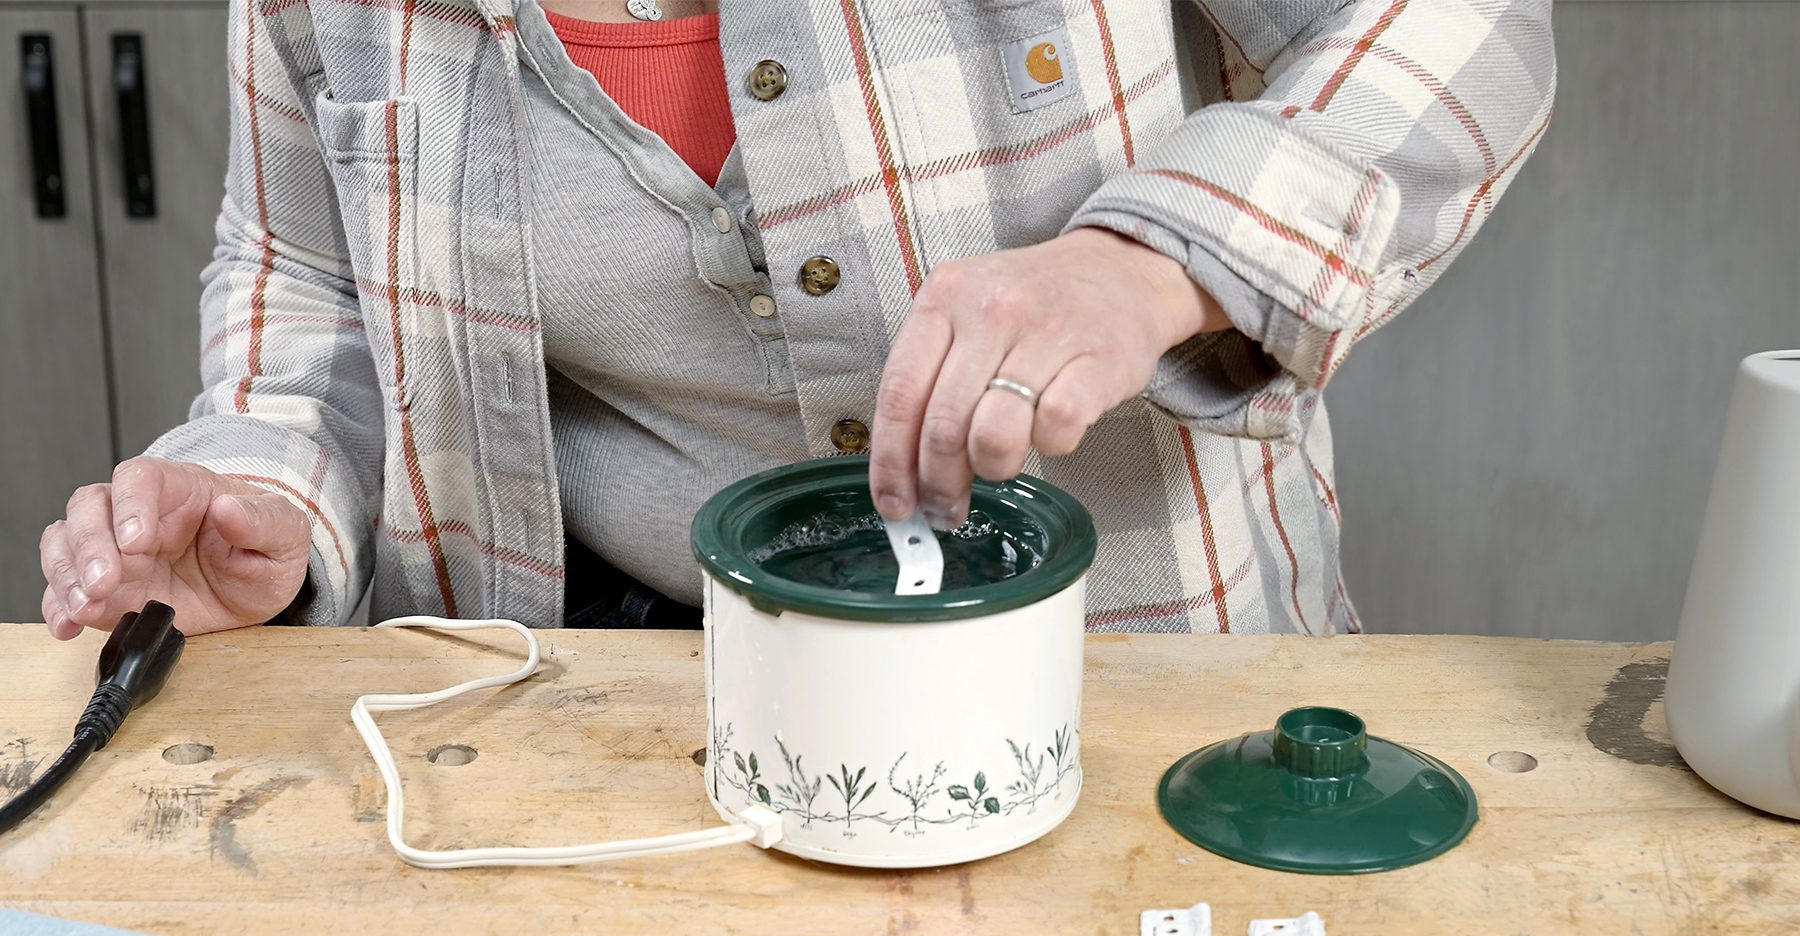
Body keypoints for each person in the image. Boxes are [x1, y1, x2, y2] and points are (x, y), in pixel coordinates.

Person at [38, 0, 1555, 639]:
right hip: (612, 703)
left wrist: (1153, 260)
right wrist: (263, 493)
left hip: (1144, 664)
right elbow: (302, 271)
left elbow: (1462, 29)